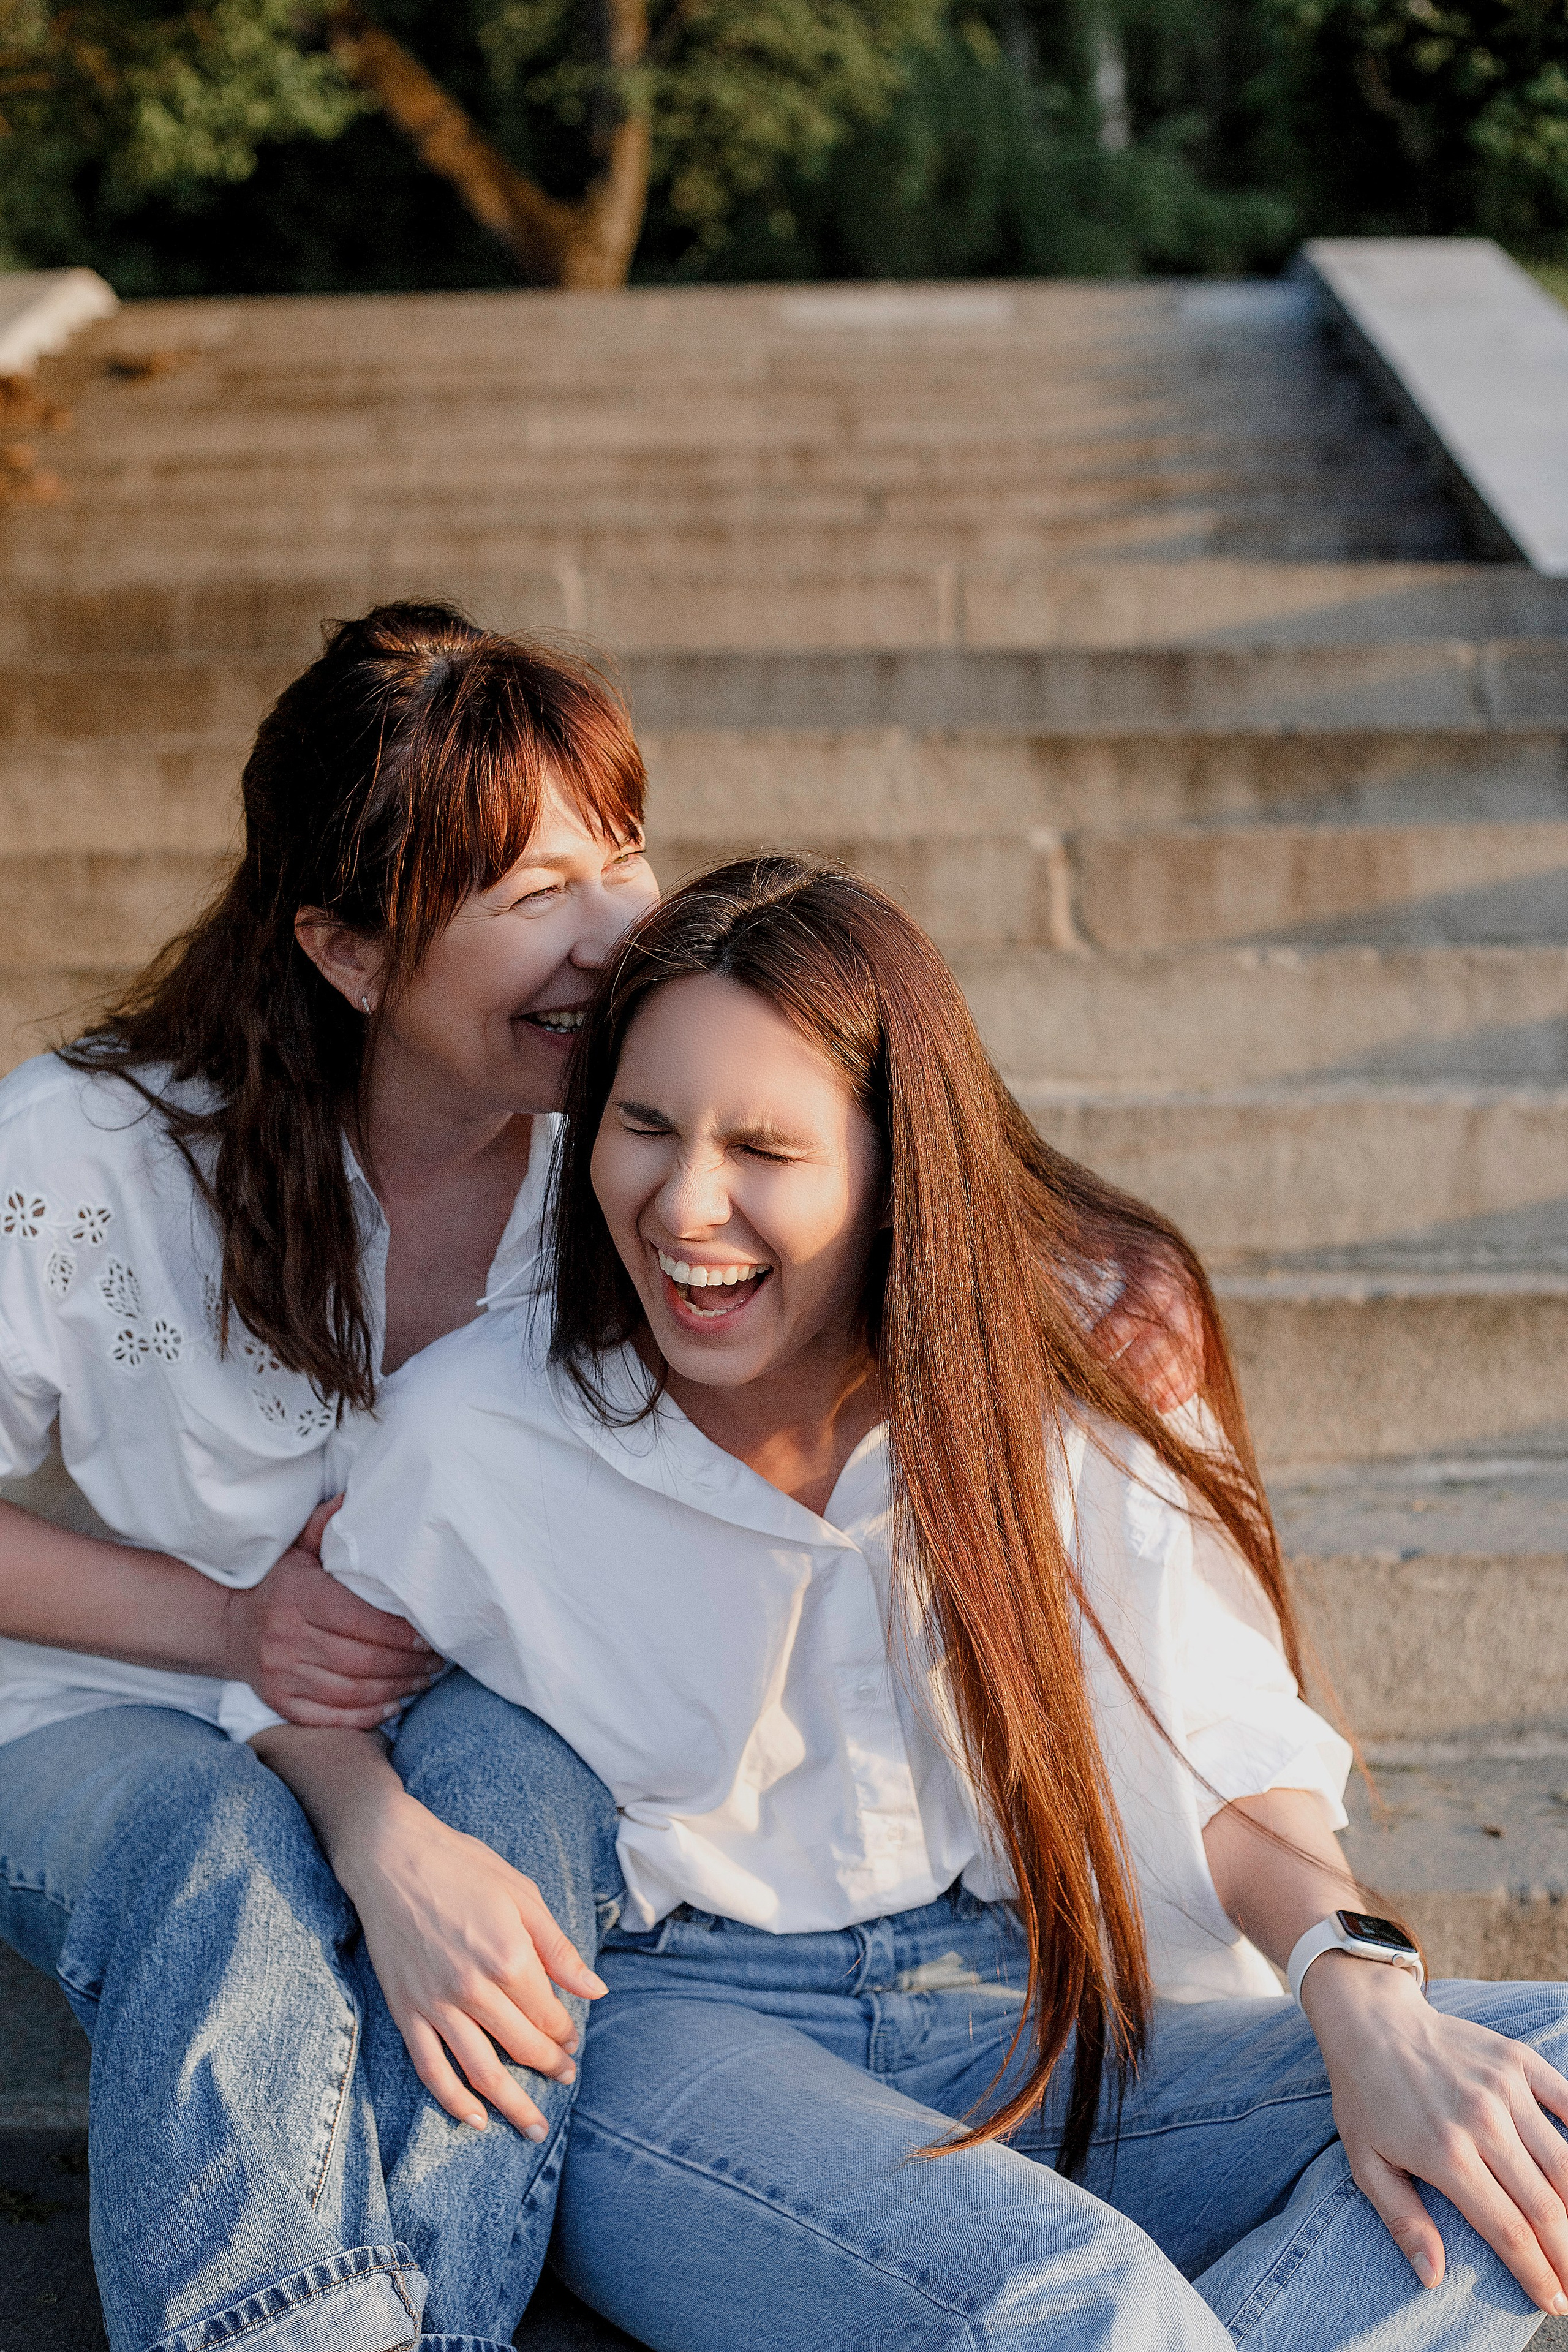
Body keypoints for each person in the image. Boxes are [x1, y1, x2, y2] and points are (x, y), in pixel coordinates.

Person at [0, 612, 1199, 2352]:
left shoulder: (632, 1147)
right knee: (217, 1843)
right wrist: (234, 1623)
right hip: (110, 1694)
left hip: (442, 1712)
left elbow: (891, 1167)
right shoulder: (91, 1151)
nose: (617, 927)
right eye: (529, 891)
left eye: (621, 851)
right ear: (345, 950)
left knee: (522, 1780)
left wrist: (1086, 1274)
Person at [255, 858, 1568, 2352]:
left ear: (895, 1168)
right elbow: (293, 1692)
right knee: (1076, 2306)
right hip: (682, 2040)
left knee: (1538, 2090)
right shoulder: (480, 1427)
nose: (686, 1204)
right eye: (642, 1127)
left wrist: (1358, 1993)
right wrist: (383, 1837)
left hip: (1015, 2006)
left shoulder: (1062, 1380)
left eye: (763, 1146)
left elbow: (1218, 1751)